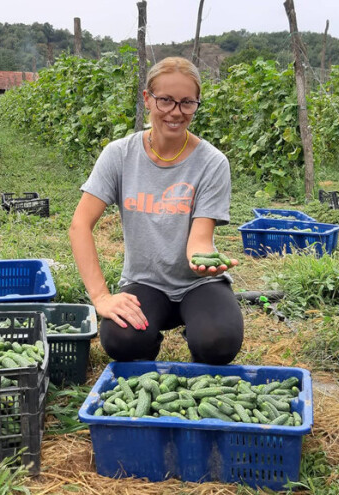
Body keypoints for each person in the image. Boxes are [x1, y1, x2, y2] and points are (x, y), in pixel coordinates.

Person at [69, 56, 244, 365]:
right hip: (145, 282)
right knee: (121, 339)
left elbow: (200, 239)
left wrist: (204, 262)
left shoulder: (212, 162)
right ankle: (146, 351)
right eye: (165, 101)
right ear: (147, 99)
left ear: (196, 104)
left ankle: (199, 331)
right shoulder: (119, 155)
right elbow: (80, 225)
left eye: (187, 103)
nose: (176, 112)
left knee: (219, 342)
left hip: (198, 284)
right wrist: (101, 297)